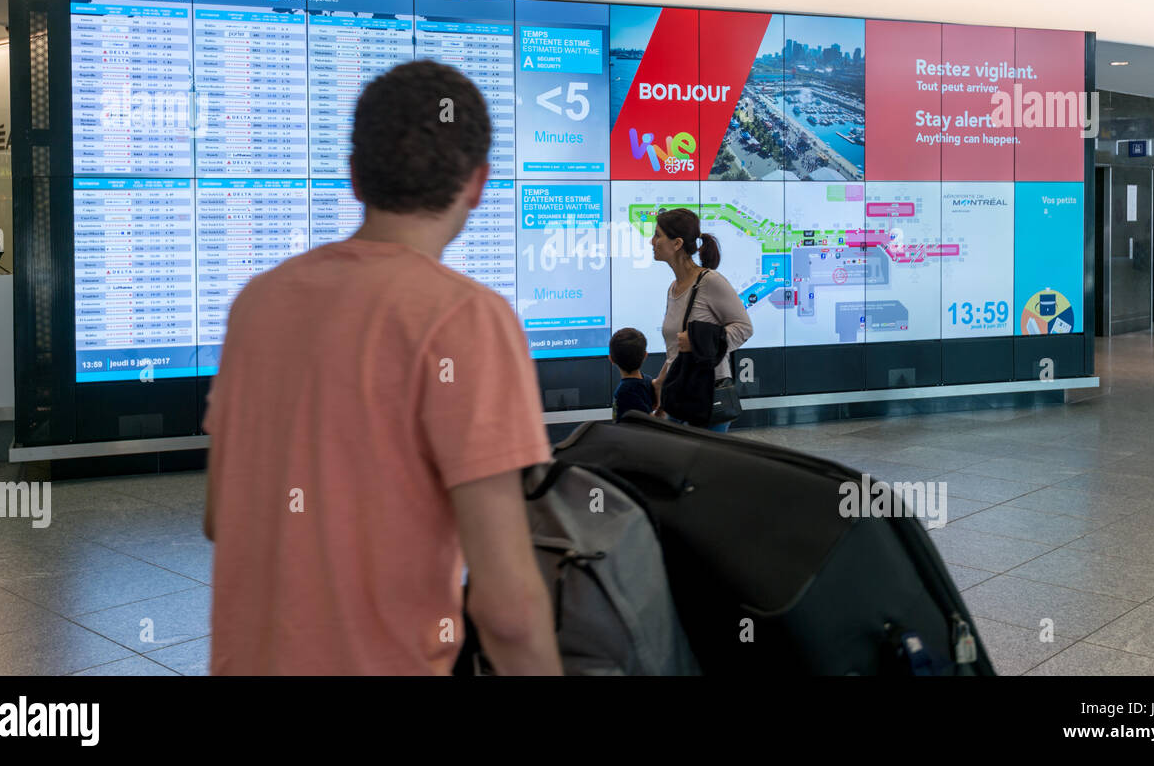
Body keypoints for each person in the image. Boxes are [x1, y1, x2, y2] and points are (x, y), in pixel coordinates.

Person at [203, 60, 562, 675]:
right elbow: (507, 606)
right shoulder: (466, 318)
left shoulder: (257, 302)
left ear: (355, 178)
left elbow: (219, 517)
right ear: (478, 183)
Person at [651, 207, 753, 432]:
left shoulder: (710, 281)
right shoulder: (673, 288)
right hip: (680, 395)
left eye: (658, 235)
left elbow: (744, 328)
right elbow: (677, 350)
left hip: (708, 398)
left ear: (677, 243)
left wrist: (700, 339)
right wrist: (661, 383)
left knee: (705, 466)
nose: (652, 241)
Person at [610, 327, 655, 421]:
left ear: (611, 359)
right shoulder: (648, 381)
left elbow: (650, 419)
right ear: (645, 356)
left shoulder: (625, 391)